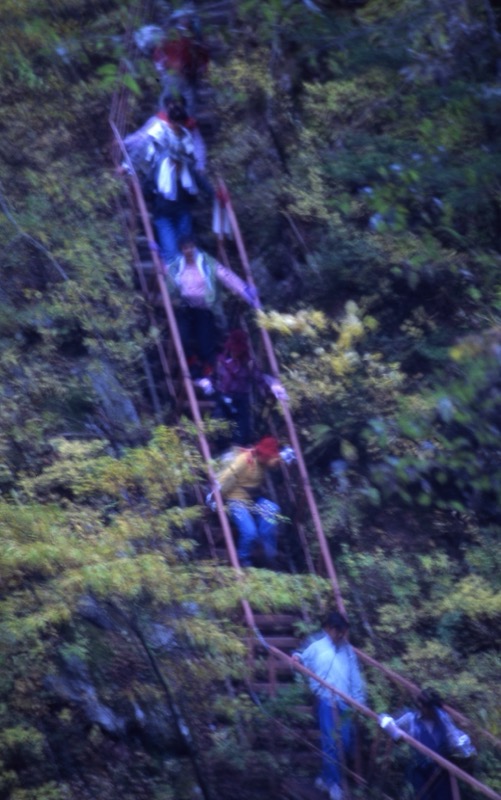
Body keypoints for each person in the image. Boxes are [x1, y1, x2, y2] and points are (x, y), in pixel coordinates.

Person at [292, 612, 366, 800]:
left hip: (345, 701)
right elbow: (301, 658)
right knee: (331, 743)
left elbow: (354, 674)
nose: (340, 635)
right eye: (337, 631)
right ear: (329, 629)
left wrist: (359, 699)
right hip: (326, 700)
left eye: (343, 631)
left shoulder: (347, 650)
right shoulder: (317, 647)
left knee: (345, 742)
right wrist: (296, 658)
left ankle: (325, 778)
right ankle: (334, 783)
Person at [165, 236, 260, 382]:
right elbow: (166, 277)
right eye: (185, 248)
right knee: (183, 339)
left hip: (203, 308)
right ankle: (193, 368)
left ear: (195, 247)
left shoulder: (206, 262)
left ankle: (209, 373)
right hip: (184, 308)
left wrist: (245, 290)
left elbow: (225, 275)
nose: (189, 250)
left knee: (206, 343)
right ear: (181, 250)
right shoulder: (177, 265)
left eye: (191, 247)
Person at [123, 95, 198, 265]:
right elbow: (141, 149)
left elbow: (191, 157)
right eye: (175, 123)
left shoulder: (185, 135)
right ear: (170, 120)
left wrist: (182, 161)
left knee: (186, 241)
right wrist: (126, 166)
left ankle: (185, 273)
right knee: (170, 248)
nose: (177, 127)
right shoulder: (158, 131)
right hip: (162, 194)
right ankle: (171, 271)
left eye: (179, 124)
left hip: (182, 194)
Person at [379, 688, 476, 800]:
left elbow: (454, 737)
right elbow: (384, 719)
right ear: (422, 706)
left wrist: (464, 750)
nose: (432, 711)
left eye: (434, 708)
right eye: (429, 707)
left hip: (440, 769)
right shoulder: (411, 719)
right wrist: (396, 733)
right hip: (420, 769)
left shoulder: (442, 719)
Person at [212, 436, 284, 567]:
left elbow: (276, 464)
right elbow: (226, 477)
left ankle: (267, 552)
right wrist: (215, 496)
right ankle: (243, 560)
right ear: (265, 455)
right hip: (235, 501)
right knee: (250, 532)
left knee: (273, 509)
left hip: (251, 500)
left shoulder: (262, 463)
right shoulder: (244, 460)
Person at [213, 328, 287, 445]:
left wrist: (271, 388)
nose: (235, 353)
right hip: (224, 397)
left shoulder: (249, 363)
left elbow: (259, 378)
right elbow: (215, 377)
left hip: (241, 399)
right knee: (218, 426)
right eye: (234, 350)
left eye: (238, 351)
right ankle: (219, 446)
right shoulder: (222, 360)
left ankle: (238, 447)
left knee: (242, 432)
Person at [153, 6, 209, 117]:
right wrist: (162, 69)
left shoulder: (191, 34)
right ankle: (175, 119)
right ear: (179, 20)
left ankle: (181, 119)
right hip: (175, 72)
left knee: (185, 96)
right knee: (182, 96)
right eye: (184, 18)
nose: (186, 20)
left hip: (184, 72)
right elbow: (159, 52)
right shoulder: (174, 36)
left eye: (187, 18)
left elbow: (201, 51)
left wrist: (200, 68)